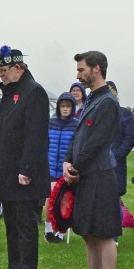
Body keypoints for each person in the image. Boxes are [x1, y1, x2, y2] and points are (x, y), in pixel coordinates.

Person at [0, 46, 50, 269]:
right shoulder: (9, 94)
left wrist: (27, 169)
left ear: (18, 68)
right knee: (11, 223)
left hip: (24, 174)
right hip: (7, 173)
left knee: (25, 225)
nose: (1, 75)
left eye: (4, 70)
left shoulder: (34, 93)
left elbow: (35, 136)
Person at [61, 51, 123, 269]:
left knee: (104, 233)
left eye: (82, 69)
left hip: (100, 174)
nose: (78, 75)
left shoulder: (107, 102)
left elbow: (98, 142)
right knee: (87, 232)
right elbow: (78, 137)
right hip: (85, 173)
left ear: (97, 69)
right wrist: (67, 160)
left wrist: (75, 167)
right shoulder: (91, 100)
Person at [45, 93, 79, 243]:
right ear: (58, 107)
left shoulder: (76, 125)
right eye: (63, 106)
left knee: (65, 200)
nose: (65, 109)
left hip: (66, 168)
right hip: (51, 166)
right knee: (50, 197)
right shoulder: (50, 123)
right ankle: (47, 229)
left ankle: (60, 231)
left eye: (68, 106)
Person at [107, 81, 134, 199]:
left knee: (114, 201)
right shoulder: (98, 114)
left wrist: (117, 154)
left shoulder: (124, 114)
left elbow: (130, 137)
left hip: (116, 164)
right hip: (99, 165)